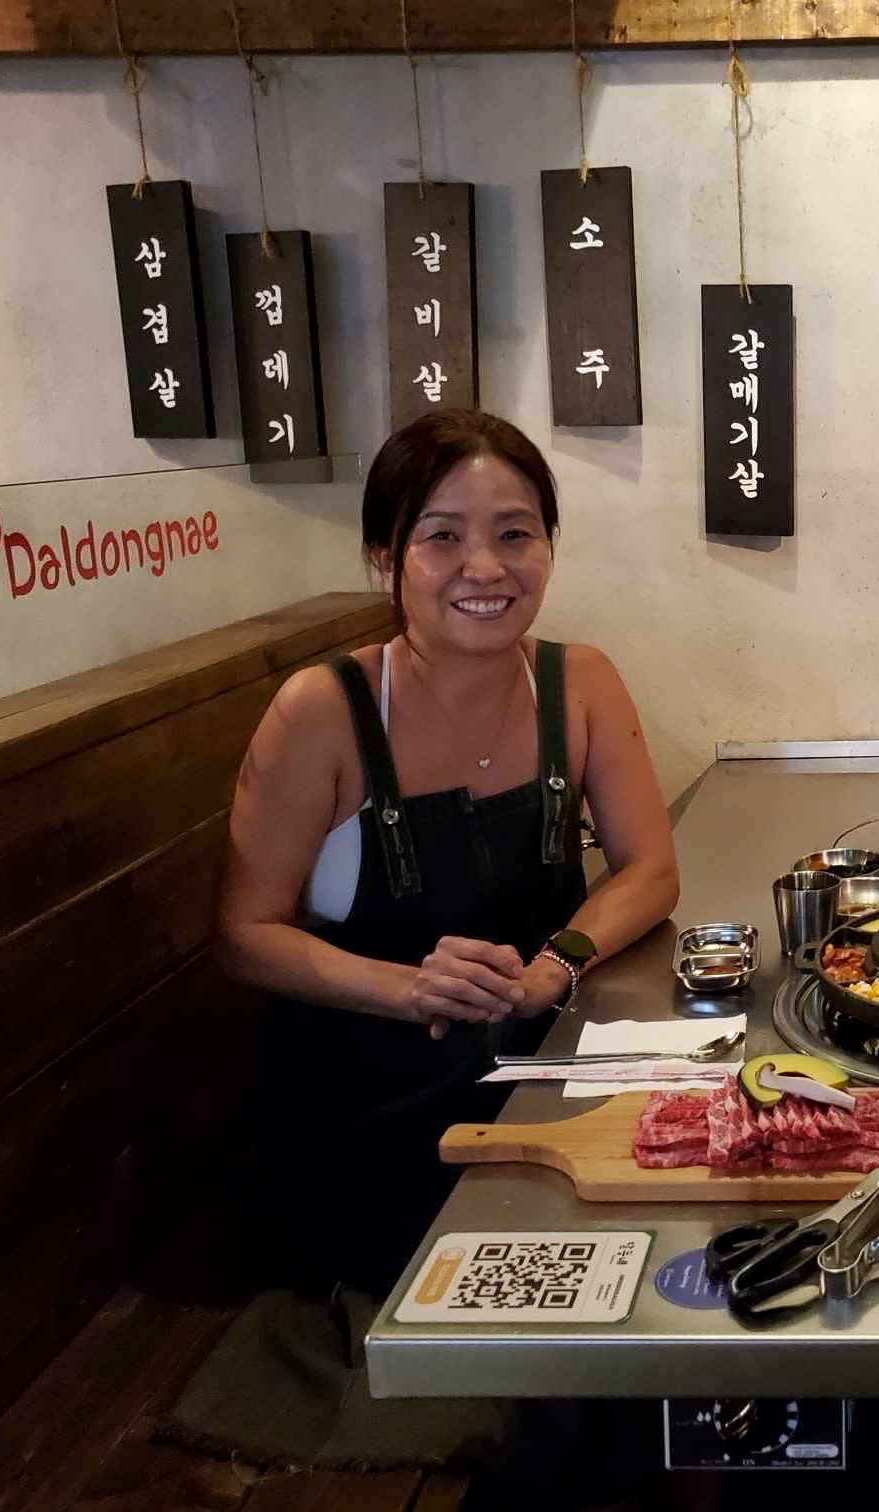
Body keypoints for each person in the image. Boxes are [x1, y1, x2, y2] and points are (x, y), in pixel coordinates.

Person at [217, 409, 680, 1296]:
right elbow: (244, 934)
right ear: (385, 560)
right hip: (371, 1110)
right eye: (442, 537)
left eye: (516, 533)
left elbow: (650, 869)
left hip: (541, 1065)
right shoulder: (322, 711)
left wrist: (558, 966)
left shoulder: (578, 682)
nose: (486, 568)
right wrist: (410, 987)